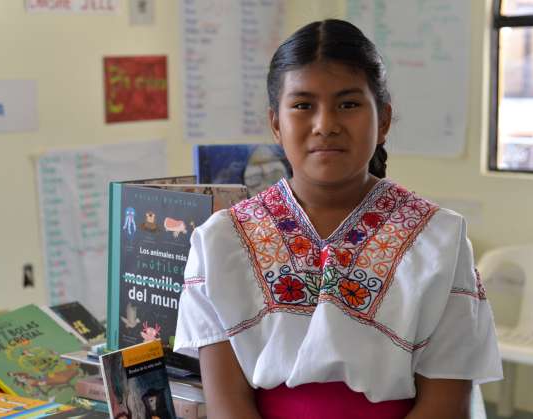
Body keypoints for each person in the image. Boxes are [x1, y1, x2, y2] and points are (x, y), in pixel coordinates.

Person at [173, 19, 502, 419]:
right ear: (275, 123)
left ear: (382, 120)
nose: (325, 125)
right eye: (302, 105)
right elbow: (228, 405)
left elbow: (447, 403)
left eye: (348, 104)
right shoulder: (220, 242)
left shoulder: (440, 240)